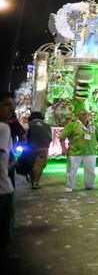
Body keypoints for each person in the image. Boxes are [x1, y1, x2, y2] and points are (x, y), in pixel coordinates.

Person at [59, 109, 98, 192]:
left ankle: (89, 185)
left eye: (85, 114)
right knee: (71, 170)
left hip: (90, 151)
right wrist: (63, 149)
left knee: (91, 170)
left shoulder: (93, 125)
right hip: (75, 152)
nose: (84, 116)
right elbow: (62, 138)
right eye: (82, 114)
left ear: (88, 115)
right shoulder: (72, 125)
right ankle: (69, 186)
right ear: (78, 116)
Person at [0, 93, 16, 250]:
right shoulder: (3, 128)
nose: (11, 108)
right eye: (7, 104)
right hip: (3, 191)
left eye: (12, 104)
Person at [26, 112, 52, 189]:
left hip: (30, 148)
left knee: (31, 164)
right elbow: (50, 137)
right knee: (39, 165)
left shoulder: (28, 124)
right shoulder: (47, 126)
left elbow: (24, 134)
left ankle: (32, 180)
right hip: (43, 148)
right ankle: (36, 182)